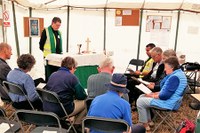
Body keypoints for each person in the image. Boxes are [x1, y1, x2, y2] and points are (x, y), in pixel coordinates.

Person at [136, 56, 187, 131]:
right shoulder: (179, 74)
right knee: (142, 96)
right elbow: (167, 92)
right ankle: (149, 121)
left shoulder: (174, 78)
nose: (165, 70)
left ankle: (144, 125)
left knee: (140, 101)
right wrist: (153, 94)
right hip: (173, 101)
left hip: (168, 103)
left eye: (166, 67)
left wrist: (152, 96)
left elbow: (164, 96)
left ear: (172, 67)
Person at [43, 56, 87, 127]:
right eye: (75, 68)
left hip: (47, 107)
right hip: (61, 110)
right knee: (86, 102)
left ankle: (69, 121)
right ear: (72, 67)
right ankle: (77, 124)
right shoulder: (72, 77)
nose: (75, 71)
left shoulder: (53, 74)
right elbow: (81, 96)